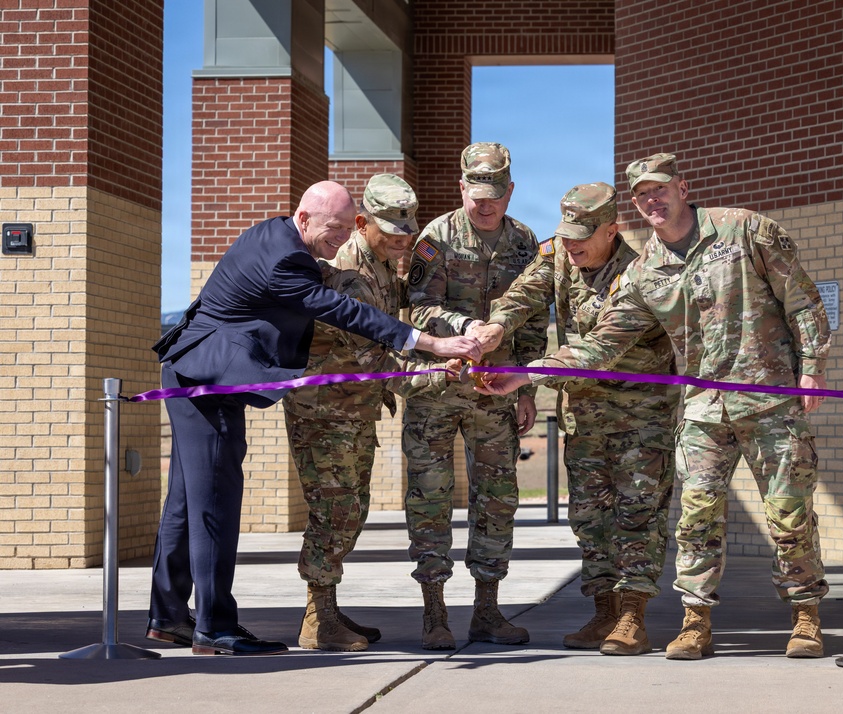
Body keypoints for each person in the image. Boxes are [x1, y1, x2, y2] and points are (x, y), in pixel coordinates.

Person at [477, 153, 832, 660]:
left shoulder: (745, 230)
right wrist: (527, 374)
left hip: (769, 400)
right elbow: (601, 345)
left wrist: (813, 366)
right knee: (696, 519)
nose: (652, 200)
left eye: (659, 189)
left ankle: (805, 617)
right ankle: (695, 622)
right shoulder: (645, 272)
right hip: (704, 410)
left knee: (789, 513)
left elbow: (801, 298)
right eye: (642, 194)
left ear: (682, 188)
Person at [147, 180, 480, 656]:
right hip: (206, 382)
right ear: (303, 218)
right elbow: (343, 310)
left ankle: (168, 617)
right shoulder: (288, 261)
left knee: (186, 501)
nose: (342, 237)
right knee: (214, 502)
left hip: (197, 371)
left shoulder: (274, 234)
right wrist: (428, 343)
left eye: (346, 228)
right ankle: (214, 628)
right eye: (334, 227)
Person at [472, 182, 679, 656]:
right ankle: (604, 611)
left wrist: (525, 374)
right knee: (589, 517)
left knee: (637, 516)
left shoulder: (641, 274)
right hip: (584, 418)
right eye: (565, 234)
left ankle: (632, 617)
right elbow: (524, 293)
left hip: (639, 420)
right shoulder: (560, 255)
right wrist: (496, 327)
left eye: (582, 236)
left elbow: (598, 350)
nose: (571, 245)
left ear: (611, 230)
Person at [284, 174, 462, 652]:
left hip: (353, 412)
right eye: (393, 233)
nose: (403, 242)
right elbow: (379, 363)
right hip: (325, 416)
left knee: (351, 508)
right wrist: (443, 373)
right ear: (362, 223)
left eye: (408, 233)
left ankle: (325, 607)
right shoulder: (347, 274)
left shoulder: (381, 264)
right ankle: (317, 619)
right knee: (334, 511)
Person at [404, 142, 548, 649]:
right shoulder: (436, 237)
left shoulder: (524, 242)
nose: (484, 205)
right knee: (430, 495)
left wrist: (526, 384)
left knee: (497, 497)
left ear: (510, 191)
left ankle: (487, 609)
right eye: (476, 194)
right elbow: (419, 308)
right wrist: (466, 327)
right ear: (461, 187)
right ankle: (434, 612)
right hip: (437, 388)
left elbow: (533, 316)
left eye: (495, 195)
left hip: (496, 392)